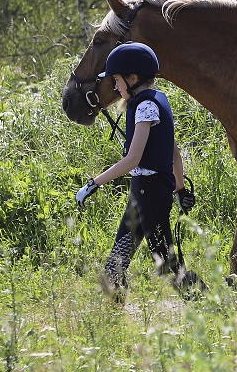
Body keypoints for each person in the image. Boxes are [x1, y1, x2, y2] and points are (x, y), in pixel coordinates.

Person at [75, 42, 198, 300]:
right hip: (144, 191)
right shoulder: (155, 100)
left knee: (167, 264)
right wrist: (179, 188)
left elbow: (133, 159)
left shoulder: (144, 107)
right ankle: (113, 315)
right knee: (117, 262)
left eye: (117, 80)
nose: (116, 87)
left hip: (149, 192)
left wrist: (93, 184)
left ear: (133, 78)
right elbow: (173, 149)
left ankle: (212, 309)